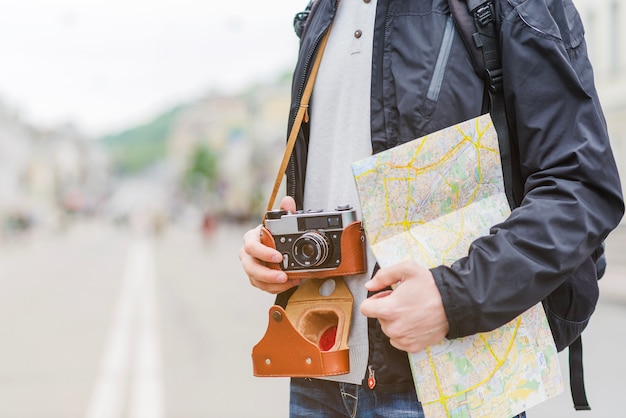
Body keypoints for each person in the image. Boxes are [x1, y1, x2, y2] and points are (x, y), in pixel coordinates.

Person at [239, 0, 625, 416]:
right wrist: (277, 250)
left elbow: (580, 183)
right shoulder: (321, 11)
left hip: (448, 383)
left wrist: (451, 298)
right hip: (318, 375)